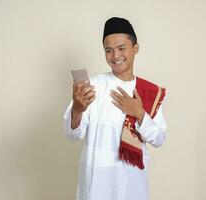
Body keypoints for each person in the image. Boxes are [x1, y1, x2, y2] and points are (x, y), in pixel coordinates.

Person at [63, 17, 167, 200]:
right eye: (108, 51)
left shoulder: (149, 92)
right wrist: (78, 110)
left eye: (121, 48)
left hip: (132, 185)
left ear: (135, 48)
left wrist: (139, 113)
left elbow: (159, 139)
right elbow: (73, 135)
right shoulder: (93, 86)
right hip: (96, 185)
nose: (115, 56)